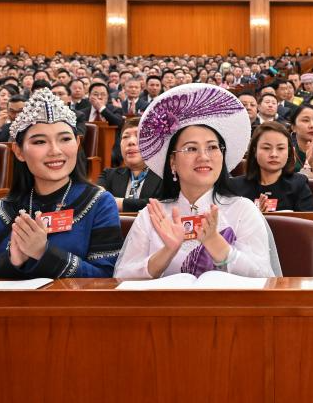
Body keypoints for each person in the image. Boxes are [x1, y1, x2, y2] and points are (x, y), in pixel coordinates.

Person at [114, 83, 281, 279]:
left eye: (212, 147)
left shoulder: (243, 211)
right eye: (191, 148)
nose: (204, 157)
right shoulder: (152, 216)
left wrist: (217, 245)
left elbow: (265, 277)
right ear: (173, 162)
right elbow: (121, 277)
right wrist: (167, 252)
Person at [0, 89, 122, 278]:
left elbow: (106, 276)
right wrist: (12, 261)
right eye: (40, 142)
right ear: (19, 151)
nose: (55, 151)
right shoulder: (0, 210)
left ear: (77, 143)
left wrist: (44, 253)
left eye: (65, 139)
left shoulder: (98, 202)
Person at [230, 122, 313, 212]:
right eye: (266, 148)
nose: (274, 154)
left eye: (280, 148)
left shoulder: (299, 184)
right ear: (255, 151)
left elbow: (307, 220)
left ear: (288, 152)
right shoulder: (235, 186)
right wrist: (255, 216)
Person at [97, 117, 162, 213]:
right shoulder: (108, 175)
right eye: (125, 137)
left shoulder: (164, 176)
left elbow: (161, 205)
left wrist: (118, 203)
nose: (131, 142)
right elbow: (96, 200)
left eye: (139, 135)